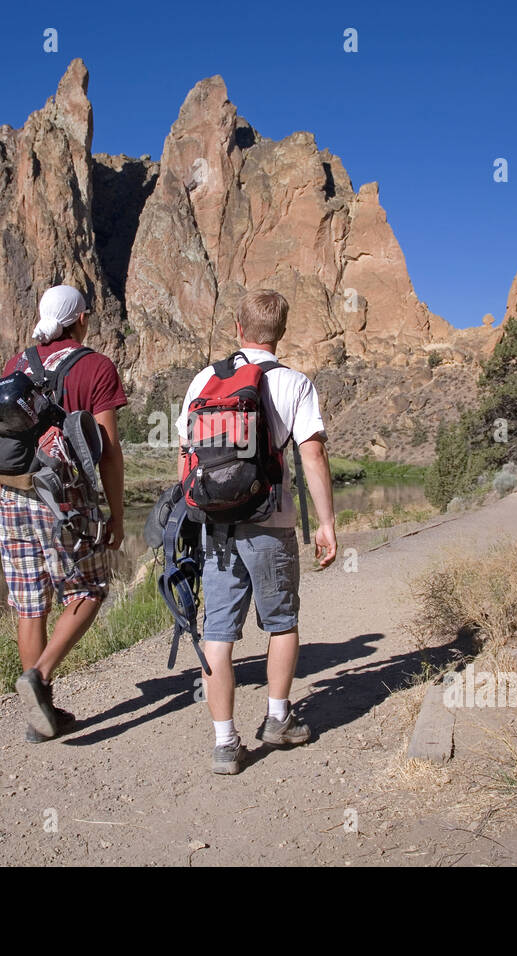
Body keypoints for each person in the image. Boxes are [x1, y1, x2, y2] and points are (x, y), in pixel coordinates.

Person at [175, 289, 337, 774]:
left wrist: (191, 513)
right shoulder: (294, 383)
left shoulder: (205, 379)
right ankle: (277, 718)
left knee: (218, 633)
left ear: (239, 329)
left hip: (215, 525)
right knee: (281, 622)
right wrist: (326, 522)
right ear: (280, 333)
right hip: (272, 523)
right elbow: (312, 454)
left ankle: (225, 743)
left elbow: (185, 453)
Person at [3, 284, 126, 742]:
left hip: (12, 494)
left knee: (30, 603)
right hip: (65, 496)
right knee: (89, 588)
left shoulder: (19, 363)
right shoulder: (95, 366)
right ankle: (40, 676)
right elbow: (109, 452)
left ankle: (42, 717)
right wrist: (116, 513)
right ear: (81, 320)